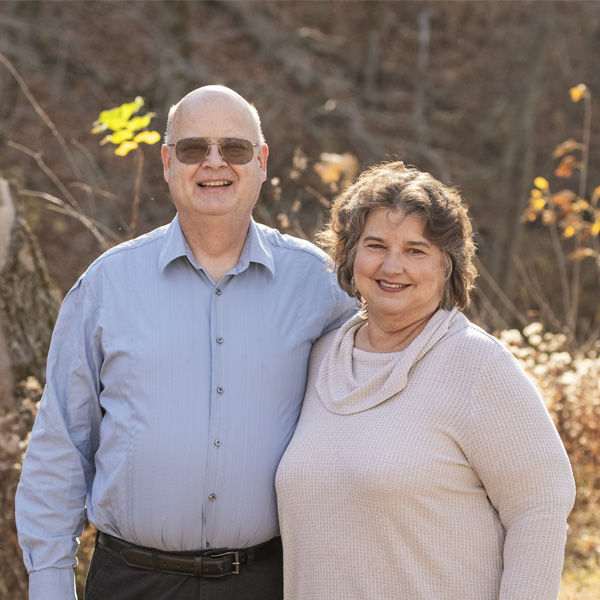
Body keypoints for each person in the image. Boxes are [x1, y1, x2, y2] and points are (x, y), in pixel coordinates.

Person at [15, 85, 356, 600]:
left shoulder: (319, 286)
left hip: (269, 581)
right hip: (130, 582)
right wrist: (49, 580)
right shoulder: (107, 286)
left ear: (261, 161)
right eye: (194, 148)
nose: (213, 163)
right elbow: (61, 443)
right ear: (167, 161)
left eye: (234, 149)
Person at [275, 161, 576, 600]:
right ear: (350, 255)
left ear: (447, 265)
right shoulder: (320, 357)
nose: (392, 266)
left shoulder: (476, 366)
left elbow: (541, 505)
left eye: (416, 250)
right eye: (375, 245)